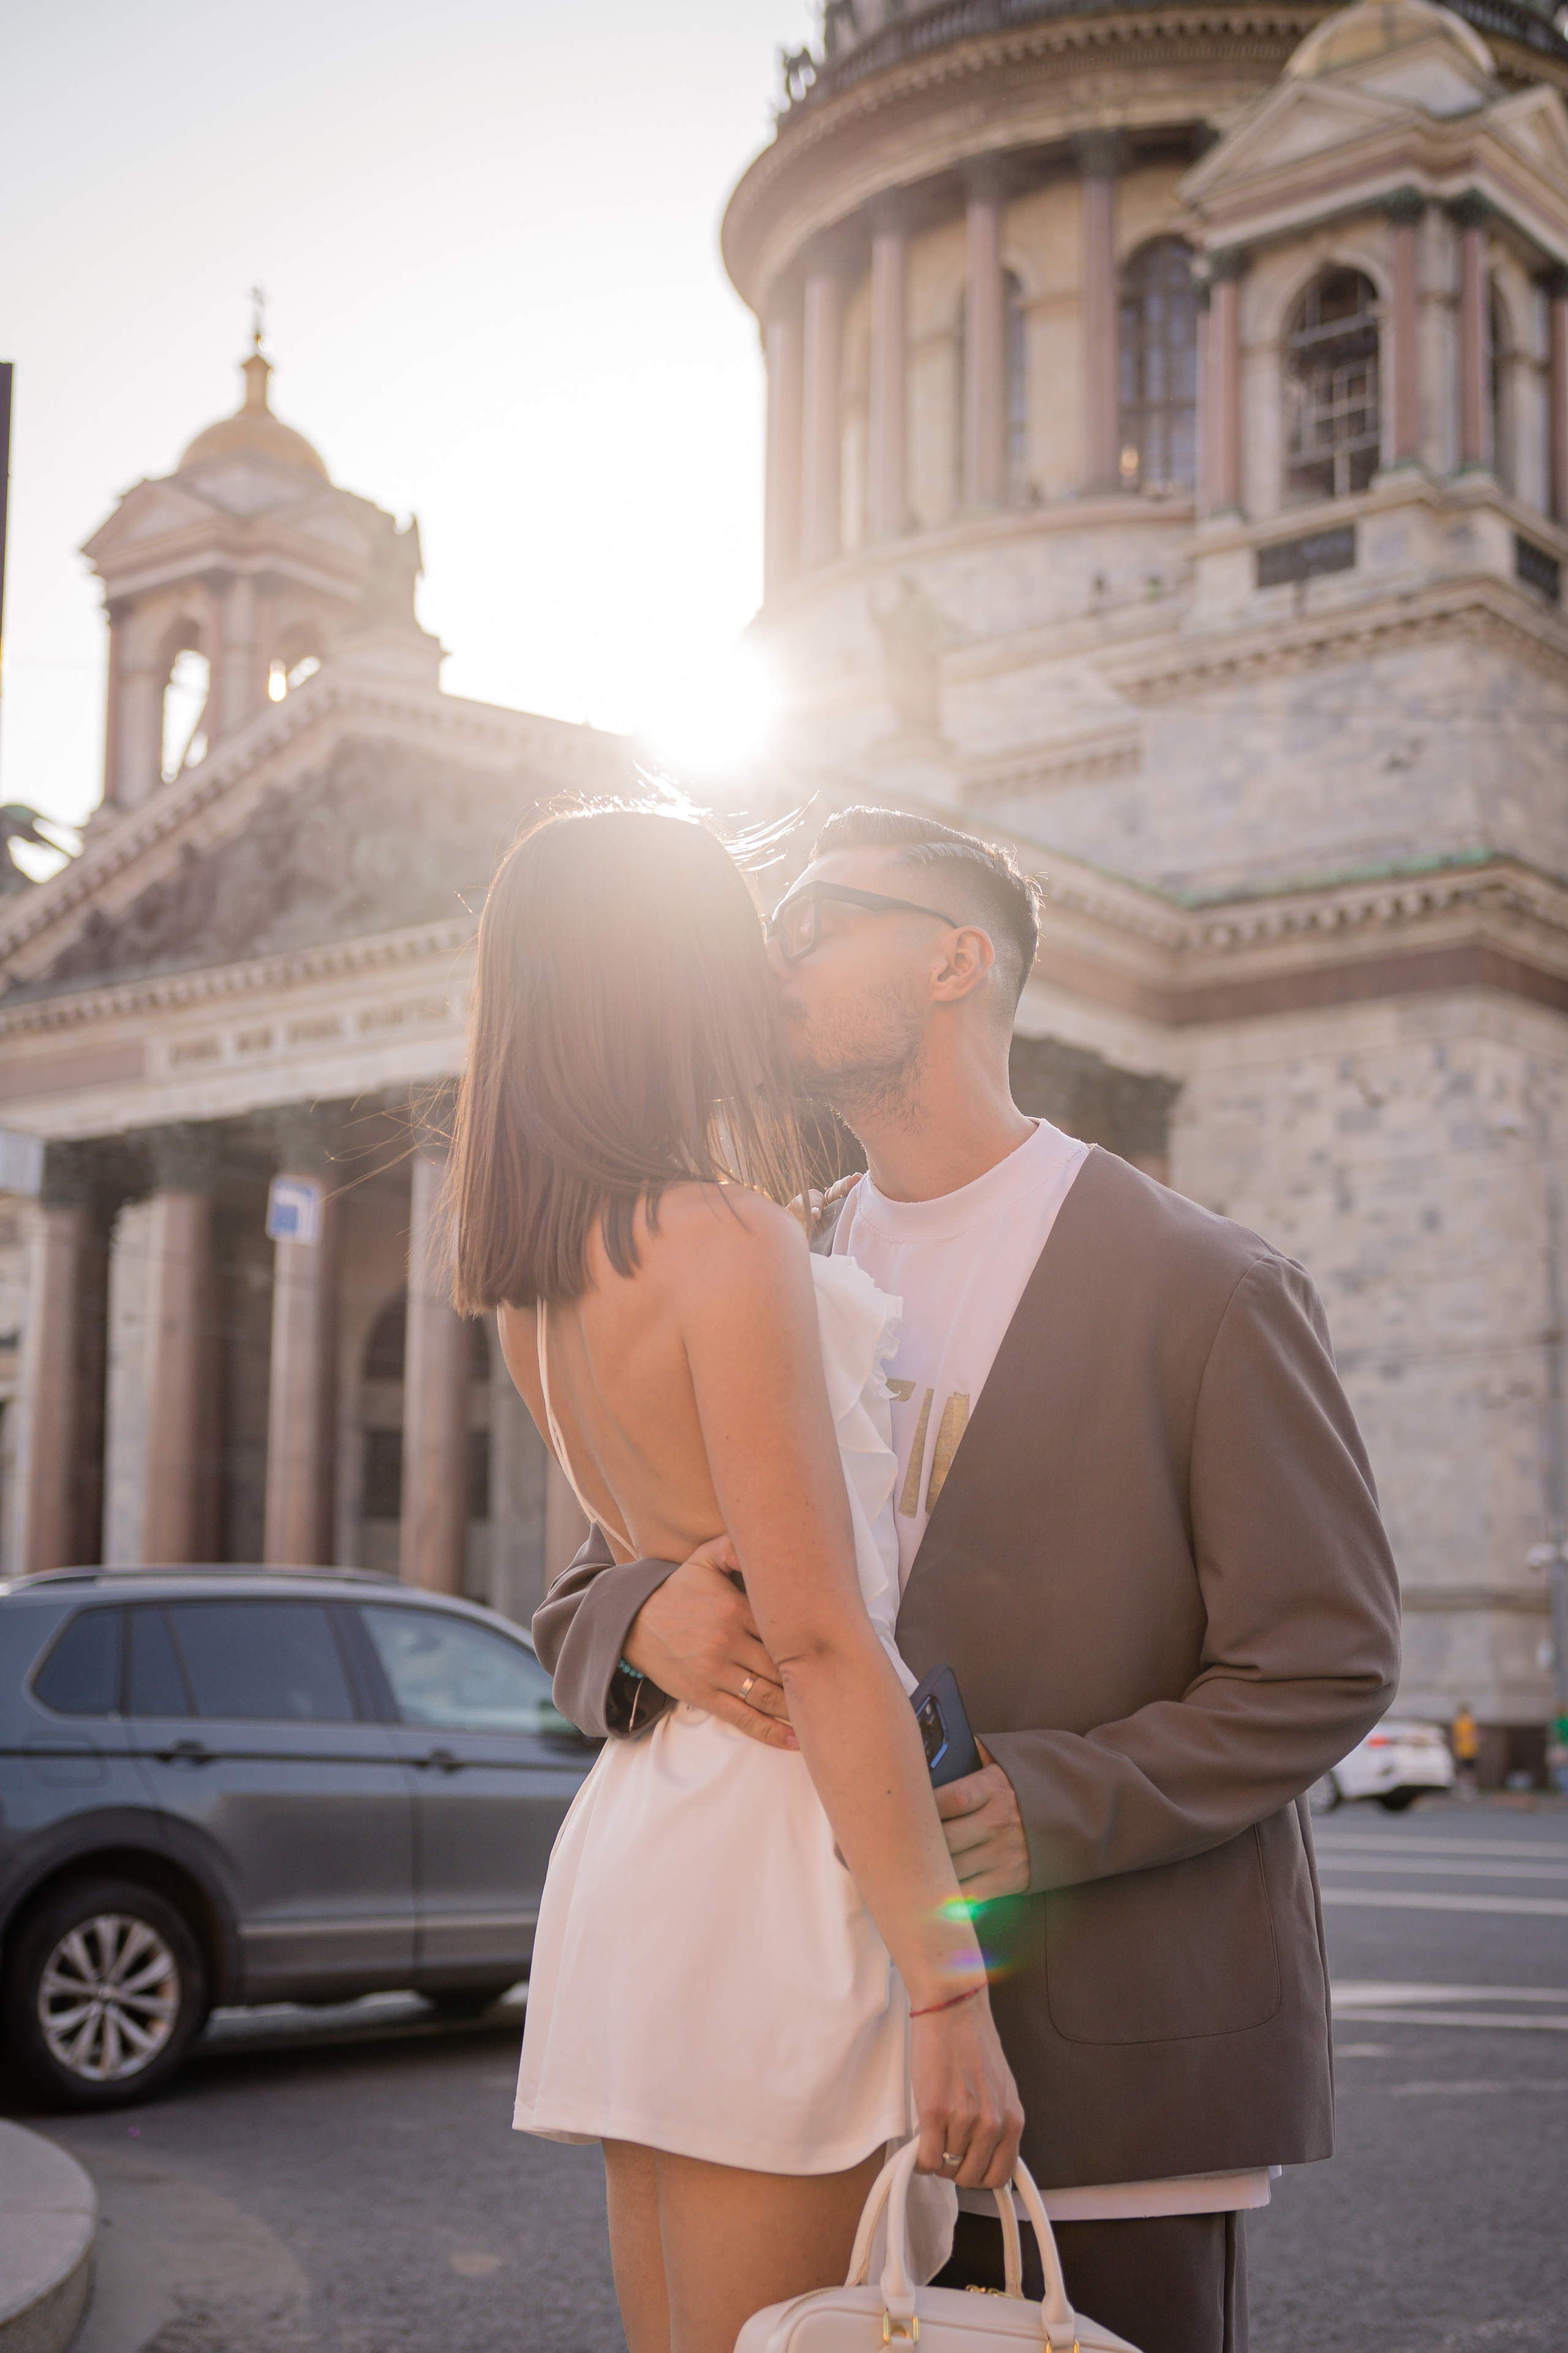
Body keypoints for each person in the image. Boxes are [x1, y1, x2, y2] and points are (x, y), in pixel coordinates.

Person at [537, 805, 1403, 2353]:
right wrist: (634, 1612)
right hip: (818, 2030)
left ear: (953, 960)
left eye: (813, 923)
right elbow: (602, 1561)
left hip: (1104, 2049)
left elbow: (1325, 1657)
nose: (768, 957)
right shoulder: (764, 1248)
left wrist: (1049, 1795)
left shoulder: (1204, 1281)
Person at [448, 805, 1022, 2353]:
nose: (770, 966)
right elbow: (824, 1640)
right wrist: (949, 1988)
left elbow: (653, 1545)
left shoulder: (539, 1266)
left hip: (647, 1834)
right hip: (780, 1847)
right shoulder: (722, 1235)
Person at [1451, 1701, 1481, 1797]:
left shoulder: (1458, 1721)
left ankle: (1460, 1787)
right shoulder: (1468, 1721)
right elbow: (1472, 1734)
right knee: (1469, 1770)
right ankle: (1467, 1789)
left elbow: (1458, 1736)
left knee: (1465, 1770)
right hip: (1469, 1750)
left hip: (1462, 1750)